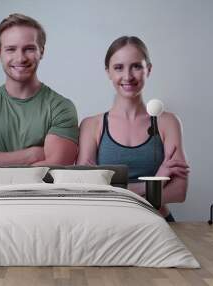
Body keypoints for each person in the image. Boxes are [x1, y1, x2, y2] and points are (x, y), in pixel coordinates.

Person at [77, 36, 189, 221]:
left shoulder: (167, 122)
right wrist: (150, 186)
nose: (128, 76)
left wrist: (114, 191)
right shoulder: (91, 125)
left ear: (149, 69)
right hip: (108, 226)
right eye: (119, 67)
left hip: (159, 225)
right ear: (108, 72)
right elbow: (86, 189)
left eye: (136, 66)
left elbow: (179, 191)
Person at [0, 14, 79, 182]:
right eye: (11, 49)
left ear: (41, 51)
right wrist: (32, 154)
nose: (20, 58)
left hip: (45, 203)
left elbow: (55, 174)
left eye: (29, 48)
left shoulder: (61, 107)